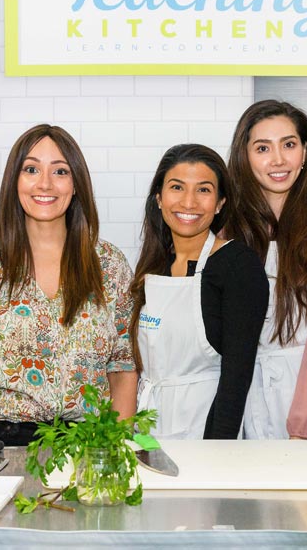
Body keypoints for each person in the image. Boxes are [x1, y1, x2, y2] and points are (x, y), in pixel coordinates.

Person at [0, 124, 137, 446]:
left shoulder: (109, 264)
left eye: (60, 171)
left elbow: (123, 367)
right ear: (15, 181)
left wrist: (114, 450)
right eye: (31, 169)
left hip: (88, 440)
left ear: (76, 183)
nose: (45, 184)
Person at [227, 100, 307, 441]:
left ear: (304, 152)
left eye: (289, 144)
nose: (278, 159)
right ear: (245, 157)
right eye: (262, 148)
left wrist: (305, 427)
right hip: (244, 400)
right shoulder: (228, 236)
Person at [131, 144, 268, 439]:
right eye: (177, 187)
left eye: (203, 190)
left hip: (202, 427)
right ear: (159, 197)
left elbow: (236, 378)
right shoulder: (153, 266)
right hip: (147, 424)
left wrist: (215, 456)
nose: (189, 202)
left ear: (220, 203)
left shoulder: (237, 266)